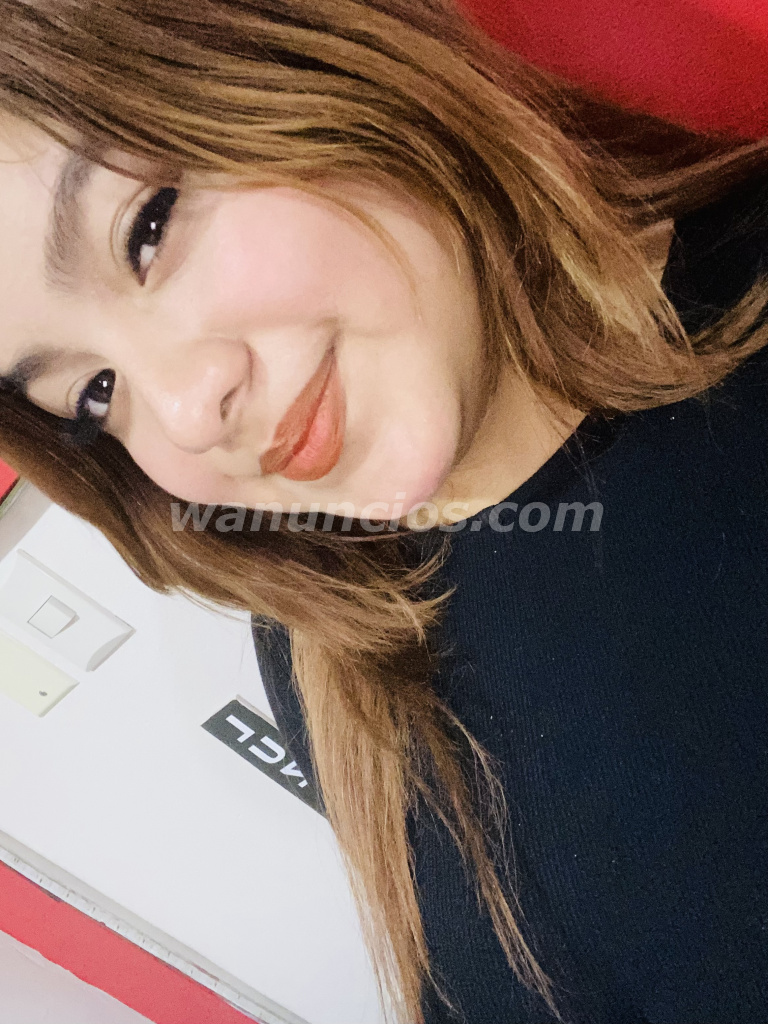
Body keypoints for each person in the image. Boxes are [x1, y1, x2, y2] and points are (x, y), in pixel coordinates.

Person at [0, 2, 765, 1022]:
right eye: (94, 394)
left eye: (147, 230)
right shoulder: (328, 652)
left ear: (309, 59)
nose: (185, 409)